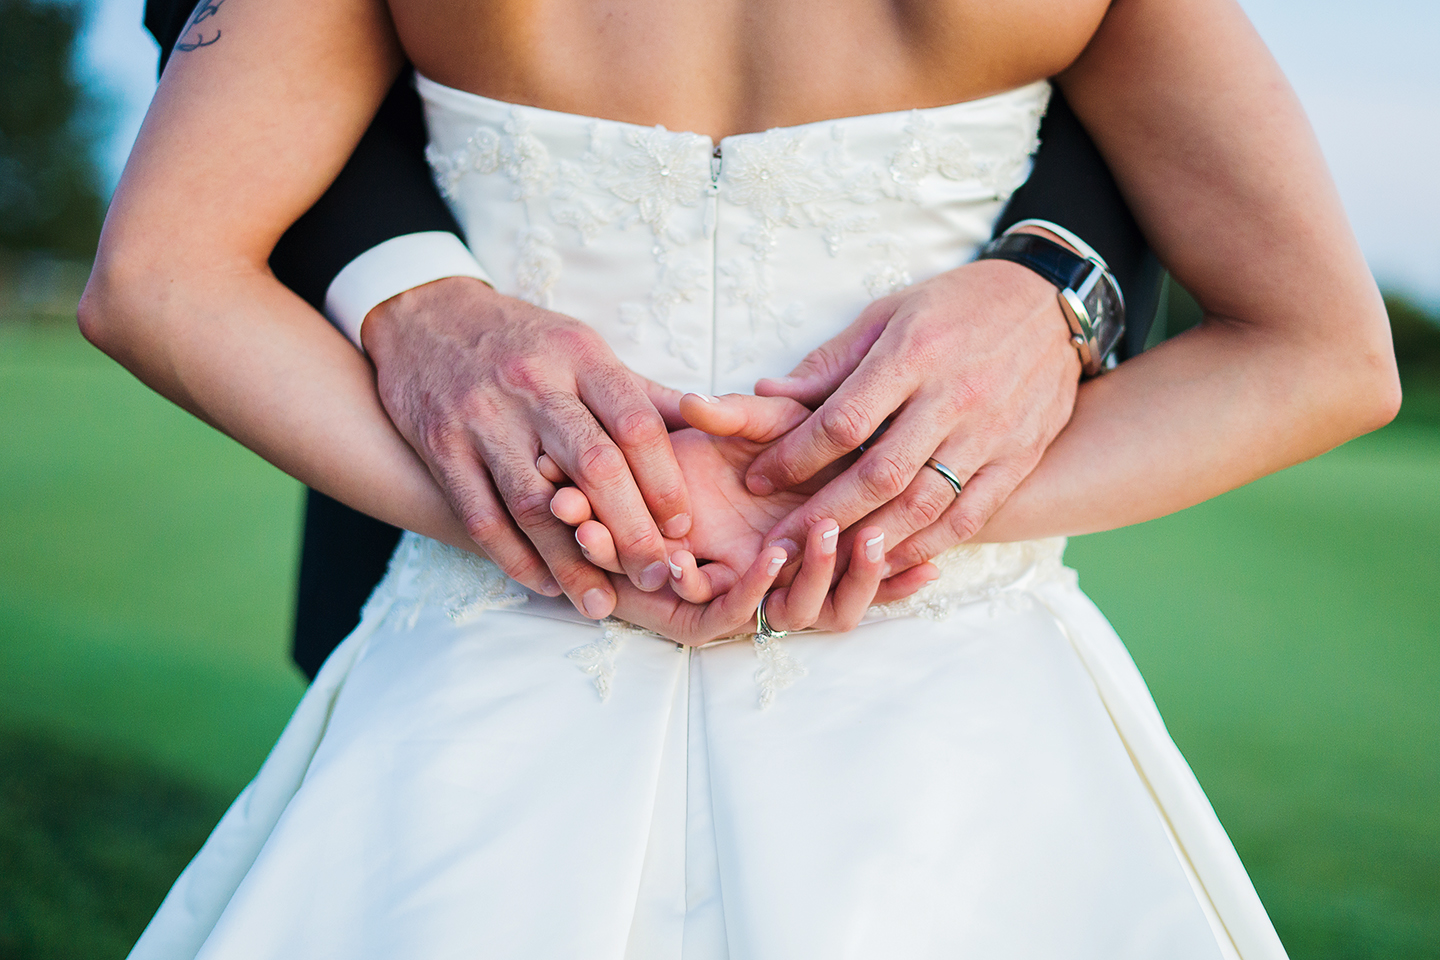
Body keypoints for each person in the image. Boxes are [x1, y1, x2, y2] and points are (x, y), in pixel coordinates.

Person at [81, 0, 1400, 954]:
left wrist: (559, 516)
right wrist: (873, 514)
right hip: (950, 694)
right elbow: (1327, 353)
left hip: (495, 655)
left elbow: (156, 278)